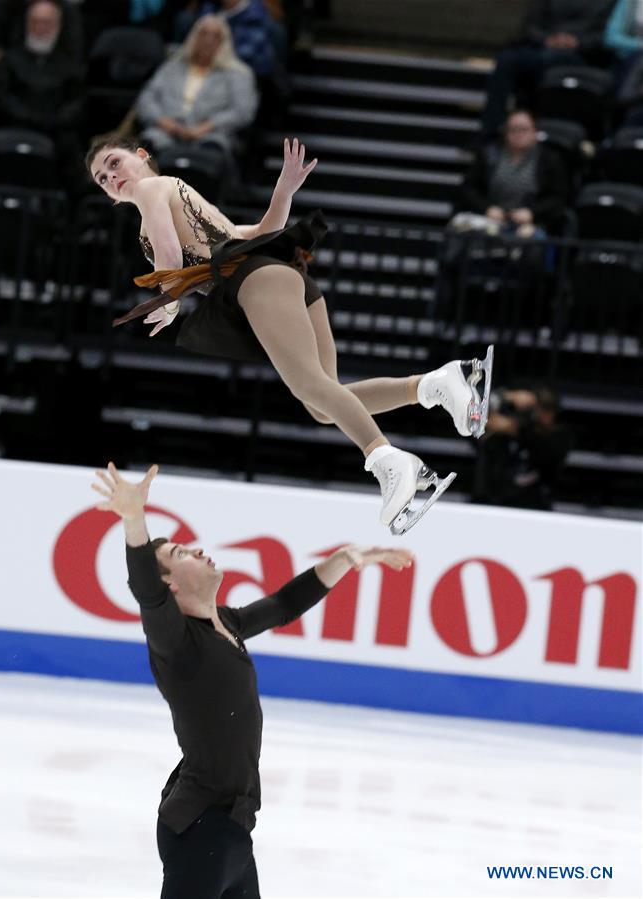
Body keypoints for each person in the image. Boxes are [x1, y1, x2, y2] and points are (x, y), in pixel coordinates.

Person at [86, 135, 494, 533]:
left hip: (258, 281)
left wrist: (169, 302)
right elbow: (257, 234)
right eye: (102, 179)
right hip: (283, 277)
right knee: (322, 402)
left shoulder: (152, 189)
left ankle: (387, 459)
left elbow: (170, 256)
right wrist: (283, 192)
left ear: (141, 156)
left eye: (114, 163)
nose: (112, 177)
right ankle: (437, 384)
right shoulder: (172, 193)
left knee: (310, 386)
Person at [90, 460, 414, 898]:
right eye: (181, 555)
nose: (199, 551)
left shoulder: (225, 622)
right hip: (201, 828)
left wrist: (342, 561)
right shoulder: (176, 643)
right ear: (170, 587)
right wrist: (134, 520)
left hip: (232, 828)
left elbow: (283, 604)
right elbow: (146, 589)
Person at [481, 0, 616, 137]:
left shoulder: (607, 3)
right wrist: (548, 39)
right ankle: (493, 129)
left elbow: (607, 35)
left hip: (582, 54)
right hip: (543, 47)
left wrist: (577, 42)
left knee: (549, 64)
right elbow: (530, 26)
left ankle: (538, 128)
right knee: (506, 59)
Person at [0, 0, 85, 183]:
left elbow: (77, 102)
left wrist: (54, 120)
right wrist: (30, 118)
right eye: (35, 22)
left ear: (58, 26)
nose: (40, 28)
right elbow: (0, 97)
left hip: (57, 132)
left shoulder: (70, 66)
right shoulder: (9, 61)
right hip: (13, 126)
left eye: (46, 22)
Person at [136, 15, 258, 157]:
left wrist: (206, 127)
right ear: (193, 36)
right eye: (203, 33)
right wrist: (164, 122)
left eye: (215, 36)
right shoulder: (172, 66)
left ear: (225, 41)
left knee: (211, 152)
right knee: (145, 148)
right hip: (165, 131)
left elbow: (242, 111)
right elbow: (146, 98)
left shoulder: (239, 73)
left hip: (213, 135)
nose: (208, 40)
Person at [455, 109, 569, 237]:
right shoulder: (490, 154)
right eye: (513, 129)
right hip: (491, 220)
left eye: (524, 129)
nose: (518, 134)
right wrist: (487, 208)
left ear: (535, 132)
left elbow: (558, 197)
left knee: (534, 238)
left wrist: (532, 213)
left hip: (534, 223)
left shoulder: (549, 159)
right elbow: (468, 189)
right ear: (506, 133)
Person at [472, 387, 572, 510]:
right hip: (492, 499)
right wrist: (507, 396)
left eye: (546, 411)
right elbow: (474, 412)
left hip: (533, 504)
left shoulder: (558, 437)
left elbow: (546, 446)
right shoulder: (506, 429)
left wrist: (514, 427)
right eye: (538, 409)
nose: (541, 415)